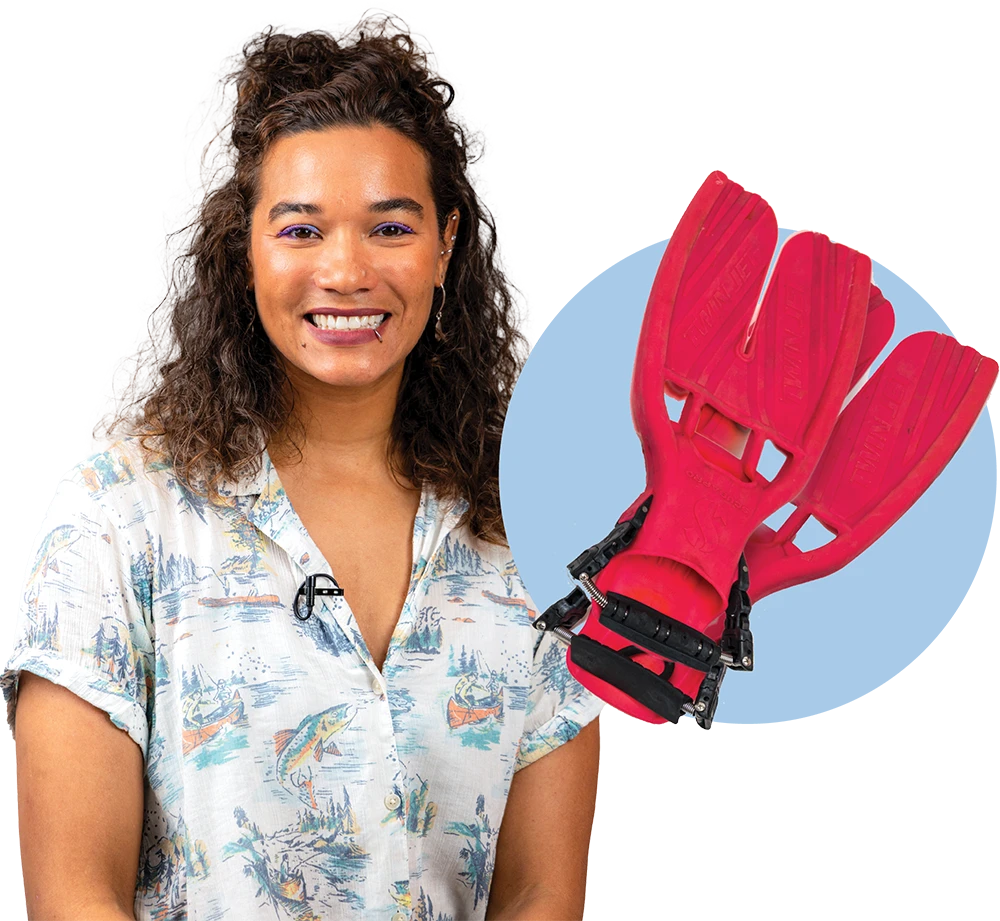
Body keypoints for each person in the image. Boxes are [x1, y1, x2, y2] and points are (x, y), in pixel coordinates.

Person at [3, 12, 603, 921]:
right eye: (301, 230)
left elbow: (538, 895)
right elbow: (73, 894)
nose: (348, 270)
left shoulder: (530, 538)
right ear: (243, 249)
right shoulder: (120, 517)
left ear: (446, 244)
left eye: (390, 228)